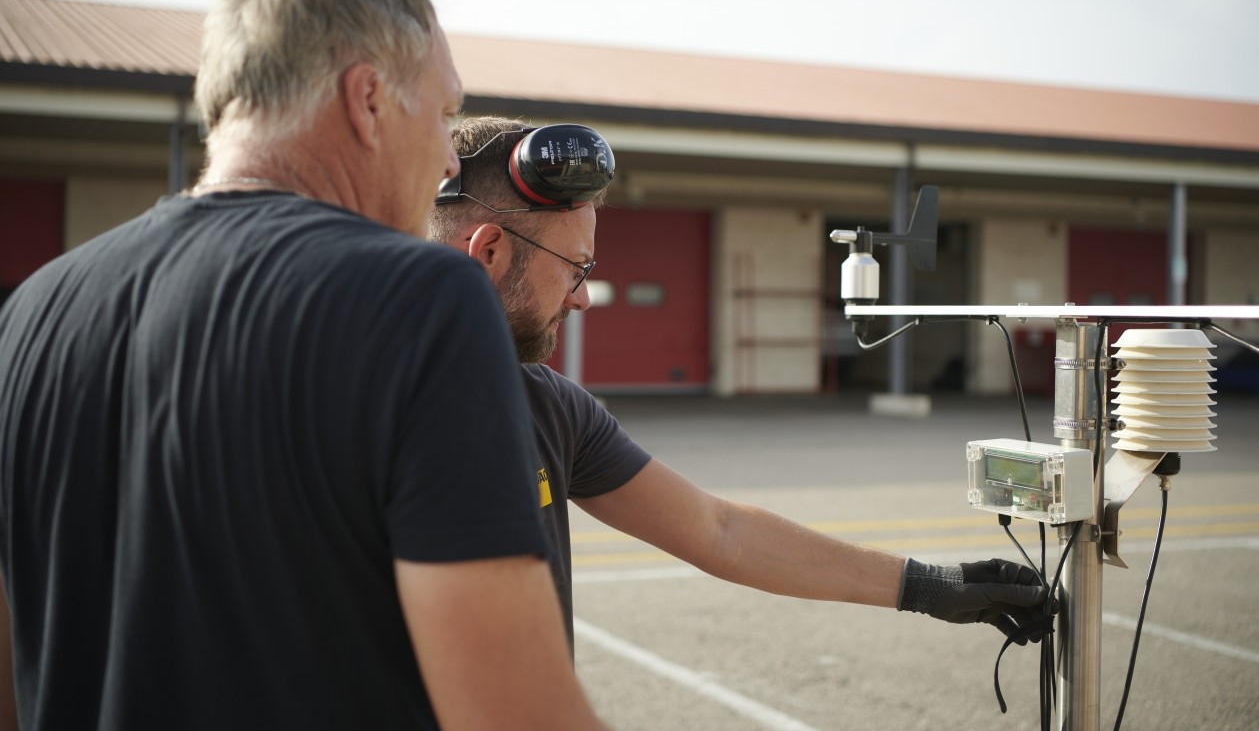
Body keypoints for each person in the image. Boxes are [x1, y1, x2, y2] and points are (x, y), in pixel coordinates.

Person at [0, 0, 623, 731]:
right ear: (366, 100)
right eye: (440, 115)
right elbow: (524, 730)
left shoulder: (27, 315)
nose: (439, 163)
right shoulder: (422, 299)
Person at [429, 115, 1051, 650]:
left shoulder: (552, 409)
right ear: (488, 253)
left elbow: (718, 531)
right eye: (577, 267)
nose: (586, 297)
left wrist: (932, 587)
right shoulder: (364, 408)